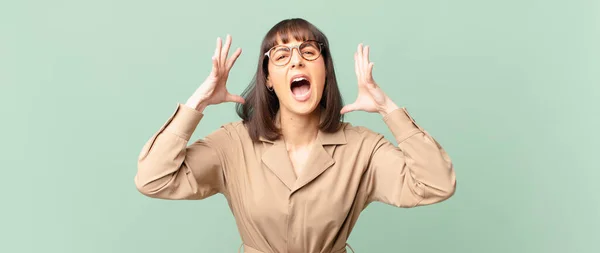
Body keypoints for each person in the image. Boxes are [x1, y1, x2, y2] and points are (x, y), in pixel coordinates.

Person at [135, 18, 457, 253]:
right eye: (280, 55)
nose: (296, 60)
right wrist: (198, 102)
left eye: (308, 51)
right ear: (269, 80)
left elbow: (436, 183)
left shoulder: (362, 148)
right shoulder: (233, 144)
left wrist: (388, 108)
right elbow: (153, 178)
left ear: (325, 70)